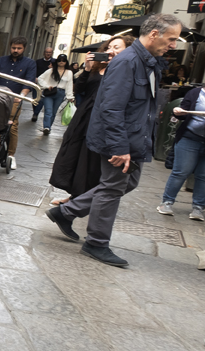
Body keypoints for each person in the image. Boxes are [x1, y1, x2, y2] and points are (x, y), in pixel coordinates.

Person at [46, 14, 183, 267]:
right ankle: (96, 243)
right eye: (171, 38)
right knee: (112, 187)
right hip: (120, 140)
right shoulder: (128, 62)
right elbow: (111, 108)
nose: (174, 44)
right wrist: (120, 146)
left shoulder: (148, 62)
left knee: (125, 183)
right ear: (154, 34)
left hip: (134, 138)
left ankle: (65, 211)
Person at [50, 36, 132, 205]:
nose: (111, 50)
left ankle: (81, 199)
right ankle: (74, 195)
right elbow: (79, 89)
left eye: (117, 47)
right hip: (84, 115)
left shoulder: (125, 70)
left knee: (91, 159)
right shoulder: (98, 67)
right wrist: (87, 69)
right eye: (109, 47)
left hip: (102, 119)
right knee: (73, 153)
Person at [157, 84, 205, 220]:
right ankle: (166, 202)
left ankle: (198, 207)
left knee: (203, 176)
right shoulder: (195, 93)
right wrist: (177, 112)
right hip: (189, 138)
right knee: (181, 172)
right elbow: (181, 113)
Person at [0, 36, 37, 169]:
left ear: (24, 48)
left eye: (19, 48)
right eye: (13, 47)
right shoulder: (0, 61)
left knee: (12, 126)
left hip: (14, 98)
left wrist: (21, 96)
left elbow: (29, 81)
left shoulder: (29, 63)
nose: (15, 50)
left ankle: (11, 155)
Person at [36, 54, 73, 134]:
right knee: (48, 111)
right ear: (57, 61)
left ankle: (48, 127)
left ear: (66, 62)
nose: (61, 62)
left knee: (54, 112)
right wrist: (47, 86)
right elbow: (40, 78)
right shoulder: (51, 71)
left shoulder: (69, 72)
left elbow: (69, 84)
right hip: (50, 92)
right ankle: (46, 127)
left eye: (63, 60)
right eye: (59, 60)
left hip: (61, 93)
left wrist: (70, 96)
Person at [32, 46, 54, 121]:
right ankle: (35, 111)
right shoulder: (38, 61)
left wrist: (52, 68)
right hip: (37, 83)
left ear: (52, 53)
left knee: (41, 99)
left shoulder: (54, 62)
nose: (48, 54)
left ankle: (35, 114)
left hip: (47, 84)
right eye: (47, 52)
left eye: (49, 52)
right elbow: (33, 70)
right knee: (35, 98)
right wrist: (34, 77)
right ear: (44, 53)